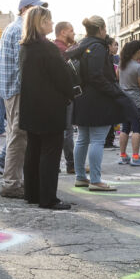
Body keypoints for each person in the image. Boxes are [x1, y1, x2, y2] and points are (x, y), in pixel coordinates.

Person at [19, 6, 76, 209]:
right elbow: (62, 78)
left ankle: (32, 193)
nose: (52, 23)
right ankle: (48, 198)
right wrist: (70, 93)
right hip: (50, 107)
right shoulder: (48, 48)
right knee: (50, 153)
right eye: (49, 20)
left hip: (30, 106)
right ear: (41, 22)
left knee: (33, 150)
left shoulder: (26, 47)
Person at [0, 0, 45, 197]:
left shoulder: (12, 27)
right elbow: (21, 64)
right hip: (17, 89)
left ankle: (13, 180)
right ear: (25, 9)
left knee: (16, 134)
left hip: (10, 88)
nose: (41, 14)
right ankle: (12, 183)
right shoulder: (22, 28)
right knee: (18, 136)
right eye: (37, 9)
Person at [68, 16, 123, 192]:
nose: (106, 32)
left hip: (81, 97)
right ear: (100, 29)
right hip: (98, 98)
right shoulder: (98, 47)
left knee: (82, 138)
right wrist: (114, 91)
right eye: (105, 29)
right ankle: (96, 180)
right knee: (98, 140)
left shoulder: (81, 44)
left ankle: (80, 177)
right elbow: (97, 75)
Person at [118, 40, 140, 166]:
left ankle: (123, 156)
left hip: (123, 100)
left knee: (125, 128)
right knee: (136, 128)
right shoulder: (138, 67)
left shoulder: (121, 64)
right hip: (134, 101)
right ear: (138, 51)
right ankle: (135, 157)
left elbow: (117, 78)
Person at [53, 21, 77, 173]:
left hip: (57, 95)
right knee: (66, 131)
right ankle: (71, 164)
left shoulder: (56, 48)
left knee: (60, 131)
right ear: (63, 32)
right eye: (71, 30)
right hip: (64, 96)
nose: (74, 33)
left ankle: (60, 164)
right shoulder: (63, 50)